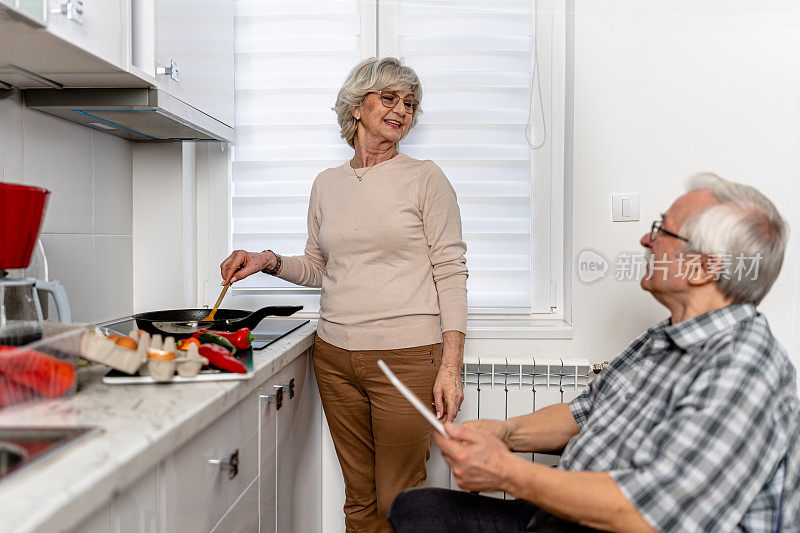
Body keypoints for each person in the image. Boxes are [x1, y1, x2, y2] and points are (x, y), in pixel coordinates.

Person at [389, 173, 800, 532]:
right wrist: (504, 433)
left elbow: (649, 515)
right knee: (414, 509)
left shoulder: (745, 367)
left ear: (704, 268)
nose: (645, 239)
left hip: (617, 521)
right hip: (566, 512)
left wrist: (507, 471)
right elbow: (583, 414)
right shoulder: (663, 337)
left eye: (663, 230)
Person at [219, 57, 468, 533]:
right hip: (333, 357)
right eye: (389, 98)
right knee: (359, 498)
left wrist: (450, 366)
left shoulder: (425, 178)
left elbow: (451, 271)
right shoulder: (326, 184)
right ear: (357, 107)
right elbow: (319, 266)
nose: (401, 111)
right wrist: (268, 260)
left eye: (409, 103)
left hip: (405, 357)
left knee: (400, 499)